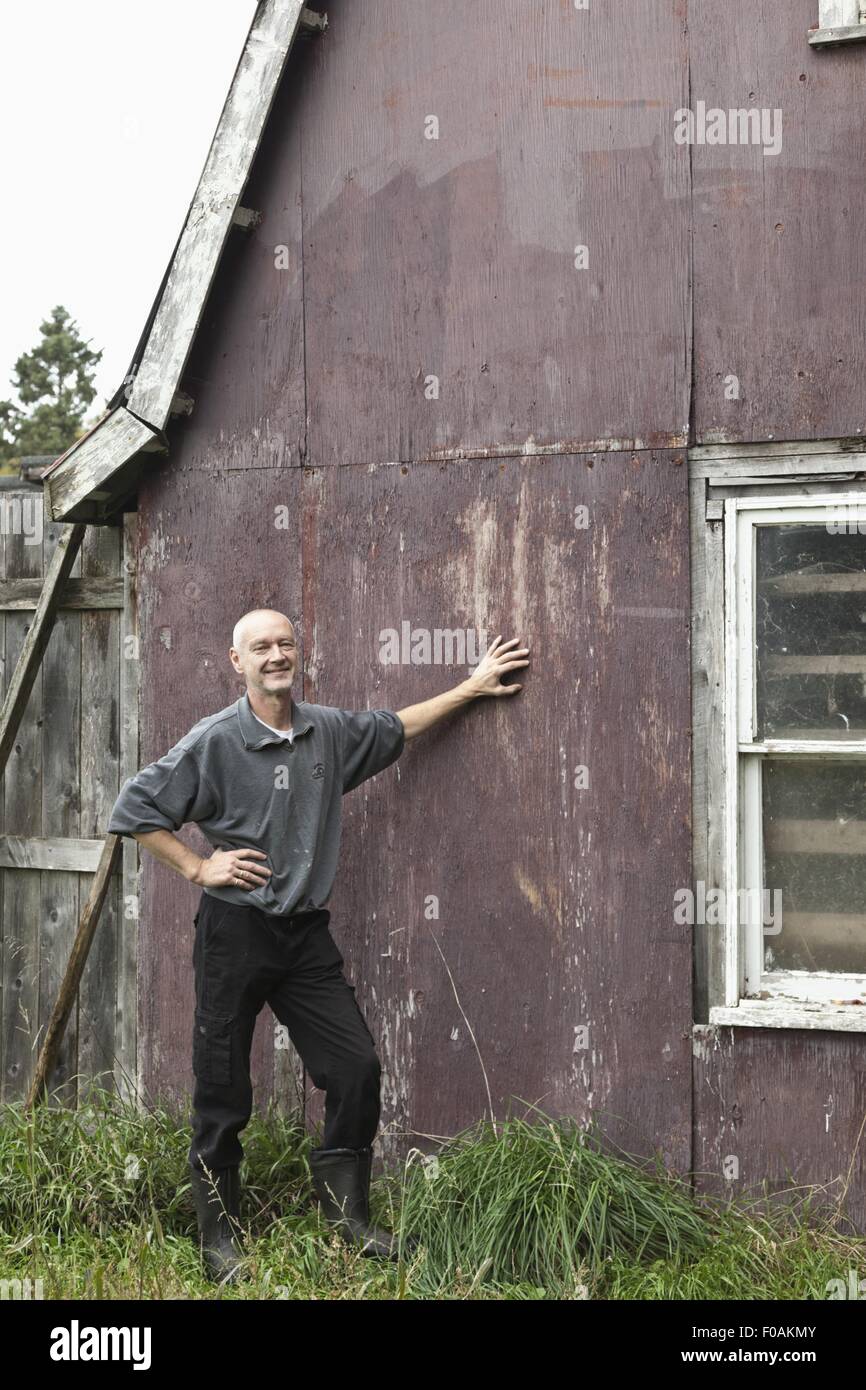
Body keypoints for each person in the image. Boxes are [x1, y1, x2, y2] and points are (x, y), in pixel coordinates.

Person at [107, 608, 529, 1281]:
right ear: (236, 661)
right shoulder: (215, 741)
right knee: (223, 1090)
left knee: (355, 1067)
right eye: (260, 647)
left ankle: (349, 1220)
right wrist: (196, 866)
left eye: (285, 643)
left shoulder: (325, 732)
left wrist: (473, 686)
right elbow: (134, 809)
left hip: (304, 935)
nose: (276, 655)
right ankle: (219, 1241)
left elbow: (397, 727)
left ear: (296, 652)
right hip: (234, 934)